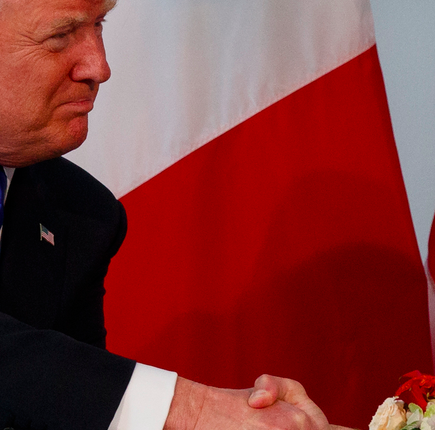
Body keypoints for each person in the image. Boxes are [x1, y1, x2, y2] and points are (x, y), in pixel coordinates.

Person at [0, 0, 334, 429]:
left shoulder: (81, 215)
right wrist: (188, 412)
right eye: (61, 37)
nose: (99, 67)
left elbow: (64, 410)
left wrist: (246, 414)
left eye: (99, 24)